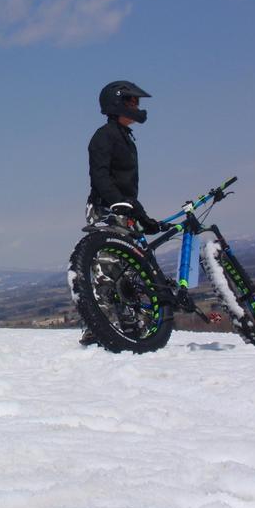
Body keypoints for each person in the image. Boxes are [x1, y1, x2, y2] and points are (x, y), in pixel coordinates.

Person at [78, 80, 161, 346]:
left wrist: (140, 215)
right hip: (106, 209)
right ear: (118, 103)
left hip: (124, 209)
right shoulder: (104, 136)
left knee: (129, 269)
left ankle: (132, 322)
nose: (138, 107)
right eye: (133, 101)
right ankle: (99, 326)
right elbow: (100, 176)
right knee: (106, 268)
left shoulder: (125, 136)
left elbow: (126, 187)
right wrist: (117, 204)